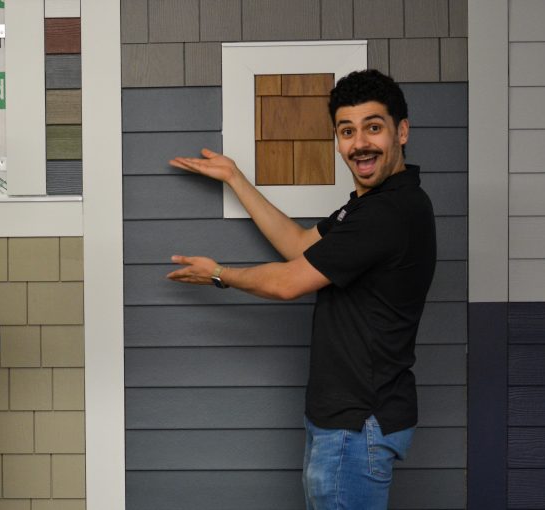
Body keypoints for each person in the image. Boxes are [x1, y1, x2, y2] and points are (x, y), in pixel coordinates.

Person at [167, 69, 436, 509]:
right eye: (346, 131)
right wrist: (236, 178)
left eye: (374, 127)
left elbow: (290, 282)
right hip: (345, 421)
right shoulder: (370, 207)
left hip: (357, 424)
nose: (359, 143)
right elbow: (297, 245)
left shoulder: (390, 213)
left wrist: (219, 273)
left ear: (401, 131)